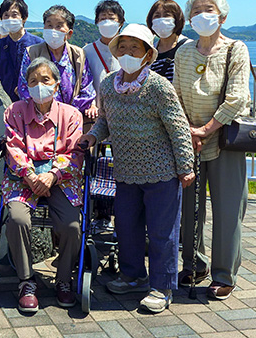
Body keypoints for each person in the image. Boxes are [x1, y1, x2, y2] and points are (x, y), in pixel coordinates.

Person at [79, 23, 194, 314]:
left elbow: (178, 129)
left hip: (161, 172)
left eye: (135, 48)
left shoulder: (158, 86)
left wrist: (185, 166)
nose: (127, 53)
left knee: (161, 232)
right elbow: (105, 119)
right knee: (126, 226)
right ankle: (133, 275)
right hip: (126, 171)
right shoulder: (108, 84)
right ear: (115, 51)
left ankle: (162, 286)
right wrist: (93, 135)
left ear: (147, 55)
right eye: (123, 47)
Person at [174, 0, 251, 301]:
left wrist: (206, 128)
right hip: (190, 140)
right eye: (195, 10)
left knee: (228, 209)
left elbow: (237, 97)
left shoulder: (236, 49)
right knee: (190, 211)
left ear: (221, 14)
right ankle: (194, 265)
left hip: (225, 140)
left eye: (208, 9)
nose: (202, 15)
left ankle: (224, 274)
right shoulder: (183, 51)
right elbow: (175, 95)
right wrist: (187, 130)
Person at [3, 57, 84, 312]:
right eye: (33, 81)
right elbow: (13, 147)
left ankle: (63, 280)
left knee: (72, 225)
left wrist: (52, 175)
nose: (40, 85)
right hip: (24, 177)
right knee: (17, 219)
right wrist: (30, 176)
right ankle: (26, 281)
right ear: (26, 86)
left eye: (45, 80)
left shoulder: (71, 114)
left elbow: (75, 153)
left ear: (57, 84)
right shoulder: (14, 111)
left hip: (61, 178)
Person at [17, 5, 96, 114]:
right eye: (49, 25)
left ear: (69, 33)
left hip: (72, 118)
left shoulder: (78, 54)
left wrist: (67, 113)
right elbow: (24, 88)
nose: (53, 30)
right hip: (41, 118)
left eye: (59, 26)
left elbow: (87, 89)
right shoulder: (32, 53)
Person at [0, 0, 44, 102]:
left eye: (14, 15)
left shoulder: (38, 44)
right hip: (5, 102)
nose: (10, 19)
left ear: (24, 18)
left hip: (33, 102)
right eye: (6, 15)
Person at [82, 0, 124, 120]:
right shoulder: (87, 50)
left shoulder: (129, 49)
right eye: (103, 18)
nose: (107, 22)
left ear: (121, 22)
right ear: (97, 22)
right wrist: (91, 104)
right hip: (95, 114)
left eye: (111, 18)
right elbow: (84, 82)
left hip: (124, 113)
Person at [146, 0, 190, 82]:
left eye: (167, 15)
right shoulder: (150, 50)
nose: (161, 20)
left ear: (177, 19)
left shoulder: (188, 47)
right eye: (157, 16)